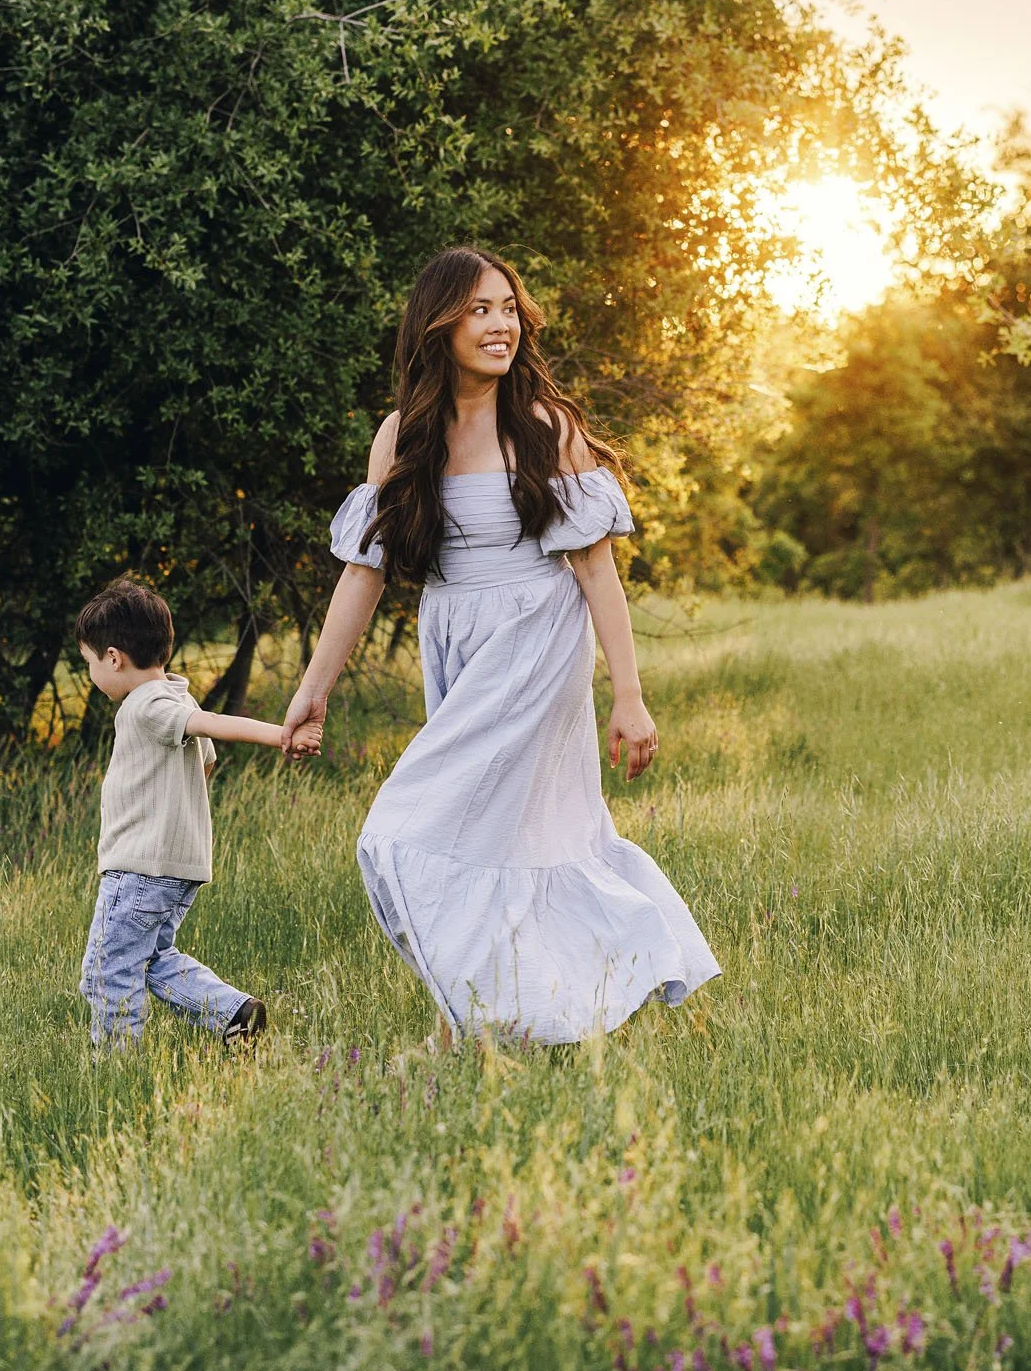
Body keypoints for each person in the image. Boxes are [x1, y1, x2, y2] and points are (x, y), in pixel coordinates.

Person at [279, 246, 719, 1044]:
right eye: (481, 308)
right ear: (438, 322)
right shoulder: (402, 436)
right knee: (502, 835)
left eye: (509, 308)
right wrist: (317, 686)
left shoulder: (548, 428)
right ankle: (493, 1013)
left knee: (403, 829)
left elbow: (596, 572)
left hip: (535, 640)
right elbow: (362, 575)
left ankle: (481, 1014)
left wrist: (628, 694)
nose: (500, 324)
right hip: (455, 635)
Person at [75, 577, 283, 1046]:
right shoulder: (174, 696)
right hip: (174, 868)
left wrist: (280, 735)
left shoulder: (146, 704)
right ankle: (233, 1013)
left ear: (113, 657)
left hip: (140, 866)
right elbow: (205, 762)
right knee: (148, 958)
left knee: (108, 972)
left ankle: (114, 1068)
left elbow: (209, 726)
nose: (91, 674)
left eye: (89, 662)